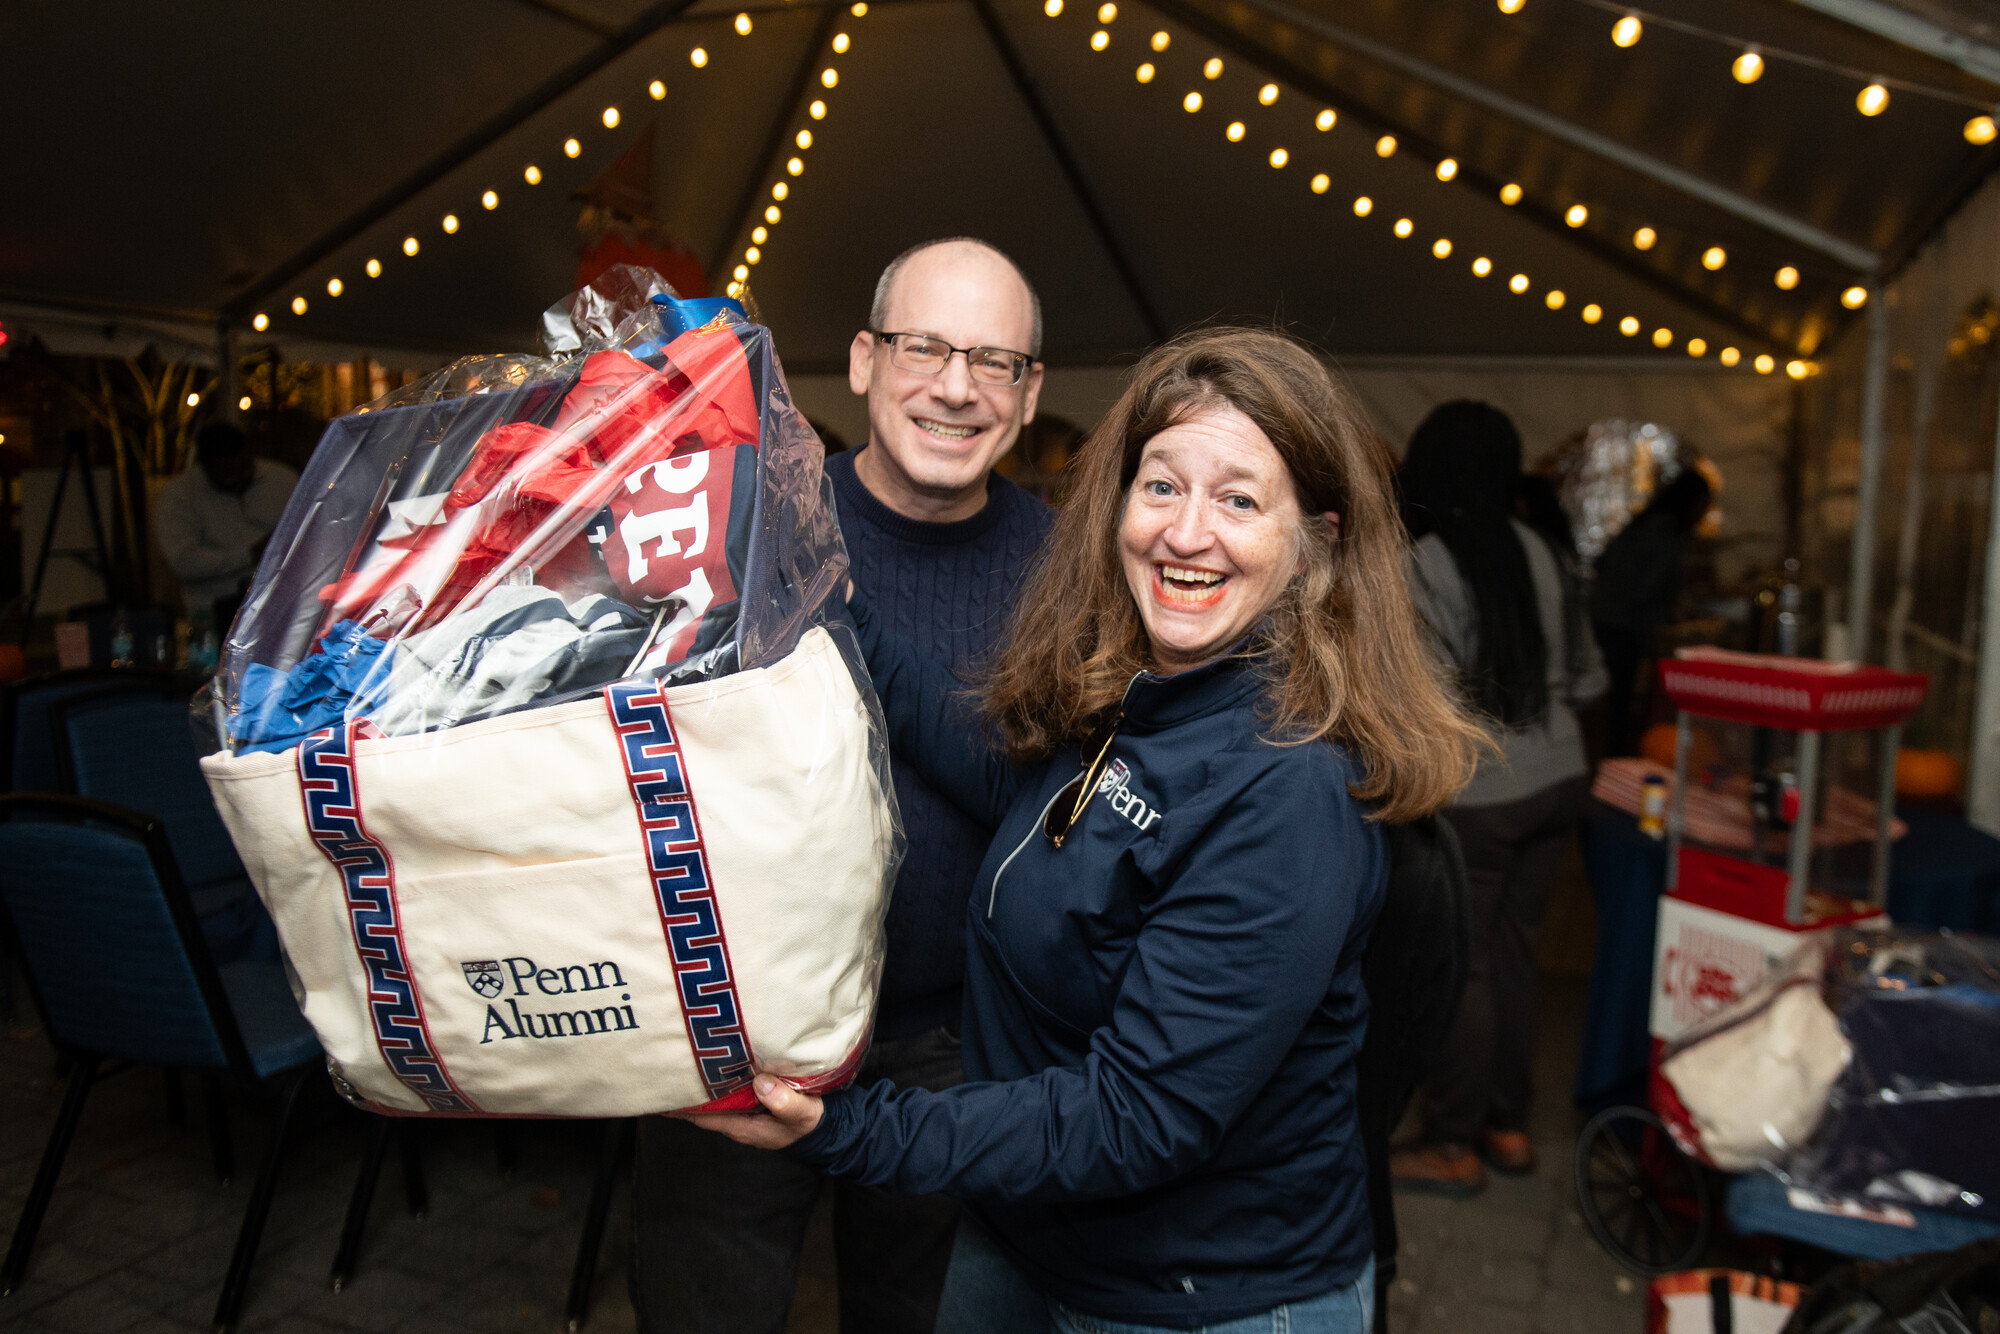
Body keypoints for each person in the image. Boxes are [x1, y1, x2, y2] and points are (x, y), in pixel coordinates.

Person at [685, 327, 1484, 1333]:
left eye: (1238, 498)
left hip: (1193, 1295)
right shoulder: (1149, 691)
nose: (1184, 533)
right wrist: (824, 597)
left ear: (1315, 539)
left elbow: (1134, 1114)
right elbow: (1011, 786)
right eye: (1160, 486)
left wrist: (851, 1127)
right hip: (1031, 1232)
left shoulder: (1286, 787)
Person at [630, 237, 1054, 1334]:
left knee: (919, 1313)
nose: (954, 386)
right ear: (863, 361)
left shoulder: (1069, 572)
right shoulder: (746, 533)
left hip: (956, 1043)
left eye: (993, 360)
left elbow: (1055, 803)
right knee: (701, 1306)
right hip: (733, 1023)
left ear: (1029, 391)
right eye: (923, 346)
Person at [1388, 401, 1605, 1197]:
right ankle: (1507, 1126)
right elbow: (1587, 680)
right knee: (1516, 953)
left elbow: (1419, 701)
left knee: (1463, 966)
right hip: (1559, 778)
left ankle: (1451, 1142)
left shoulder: (1425, 565)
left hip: (1480, 794)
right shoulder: (1547, 555)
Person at [1590, 467, 1712, 756]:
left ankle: (1613, 757)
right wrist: (1666, 609)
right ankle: (1620, 760)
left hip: (1605, 617)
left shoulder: (1642, 523)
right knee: (1623, 700)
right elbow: (1648, 588)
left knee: (1617, 699)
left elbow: (1601, 563)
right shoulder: (1667, 534)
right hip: (1624, 624)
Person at [153, 421, 297, 628]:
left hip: (282, 604)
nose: (238, 480)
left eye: (244, 470)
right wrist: (250, 554)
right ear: (205, 467)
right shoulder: (179, 496)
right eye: (227, 476)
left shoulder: (283, 480)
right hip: (213, 611)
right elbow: (183, 560)